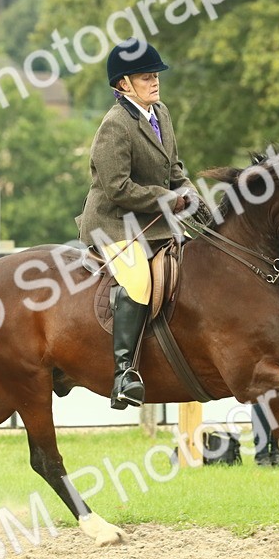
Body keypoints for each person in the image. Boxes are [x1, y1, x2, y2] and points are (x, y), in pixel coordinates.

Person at [77, 38, 197, 411]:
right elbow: (117, 188)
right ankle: (124, 375)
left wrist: (193, 196)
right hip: (115, 223)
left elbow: (174, 169)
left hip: (154, 222)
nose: (154, 81)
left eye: (155, 75)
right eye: (146, 77)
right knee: (139, 280)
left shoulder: (161, 113)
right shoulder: (115, 125)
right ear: (124, 84)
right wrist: (169, 200)